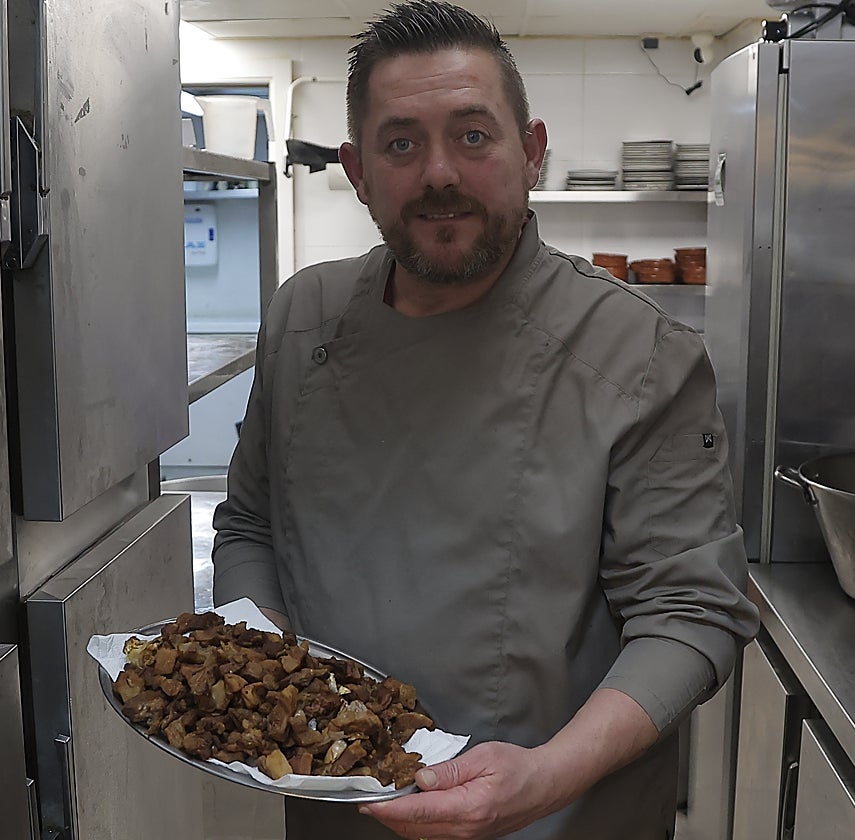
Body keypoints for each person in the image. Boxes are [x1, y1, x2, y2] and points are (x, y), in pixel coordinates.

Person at [212, 2, 759, 837]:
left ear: (530, 150)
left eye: (474, 136)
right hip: (335, 810)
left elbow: (691, 614)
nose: (440, 173)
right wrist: (265, 673)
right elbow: (250, 522)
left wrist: (543, 780)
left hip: (553, 815)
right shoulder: (303, 319)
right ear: (358, 172)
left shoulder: (638, 354)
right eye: (402, 144)